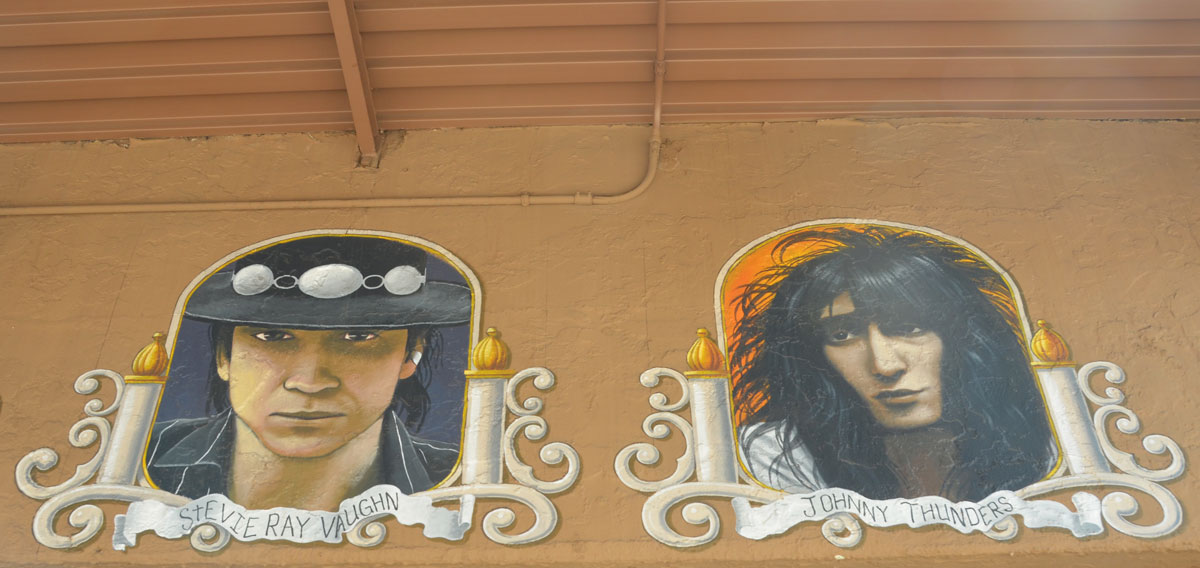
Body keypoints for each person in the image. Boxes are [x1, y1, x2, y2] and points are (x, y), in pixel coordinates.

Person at [731, 225, 1057, 502]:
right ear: (815, 354)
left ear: (963, 337)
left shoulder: (1050, 438)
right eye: (843, 334)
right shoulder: (776, 453)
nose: (885, 366)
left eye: (910, 327)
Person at [144, 236, 470, 511]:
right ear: (223, 357)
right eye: (272, 337)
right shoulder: (145, 455)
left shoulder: (461, 481)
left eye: (358, 337)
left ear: (411, 356)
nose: (310, 382)